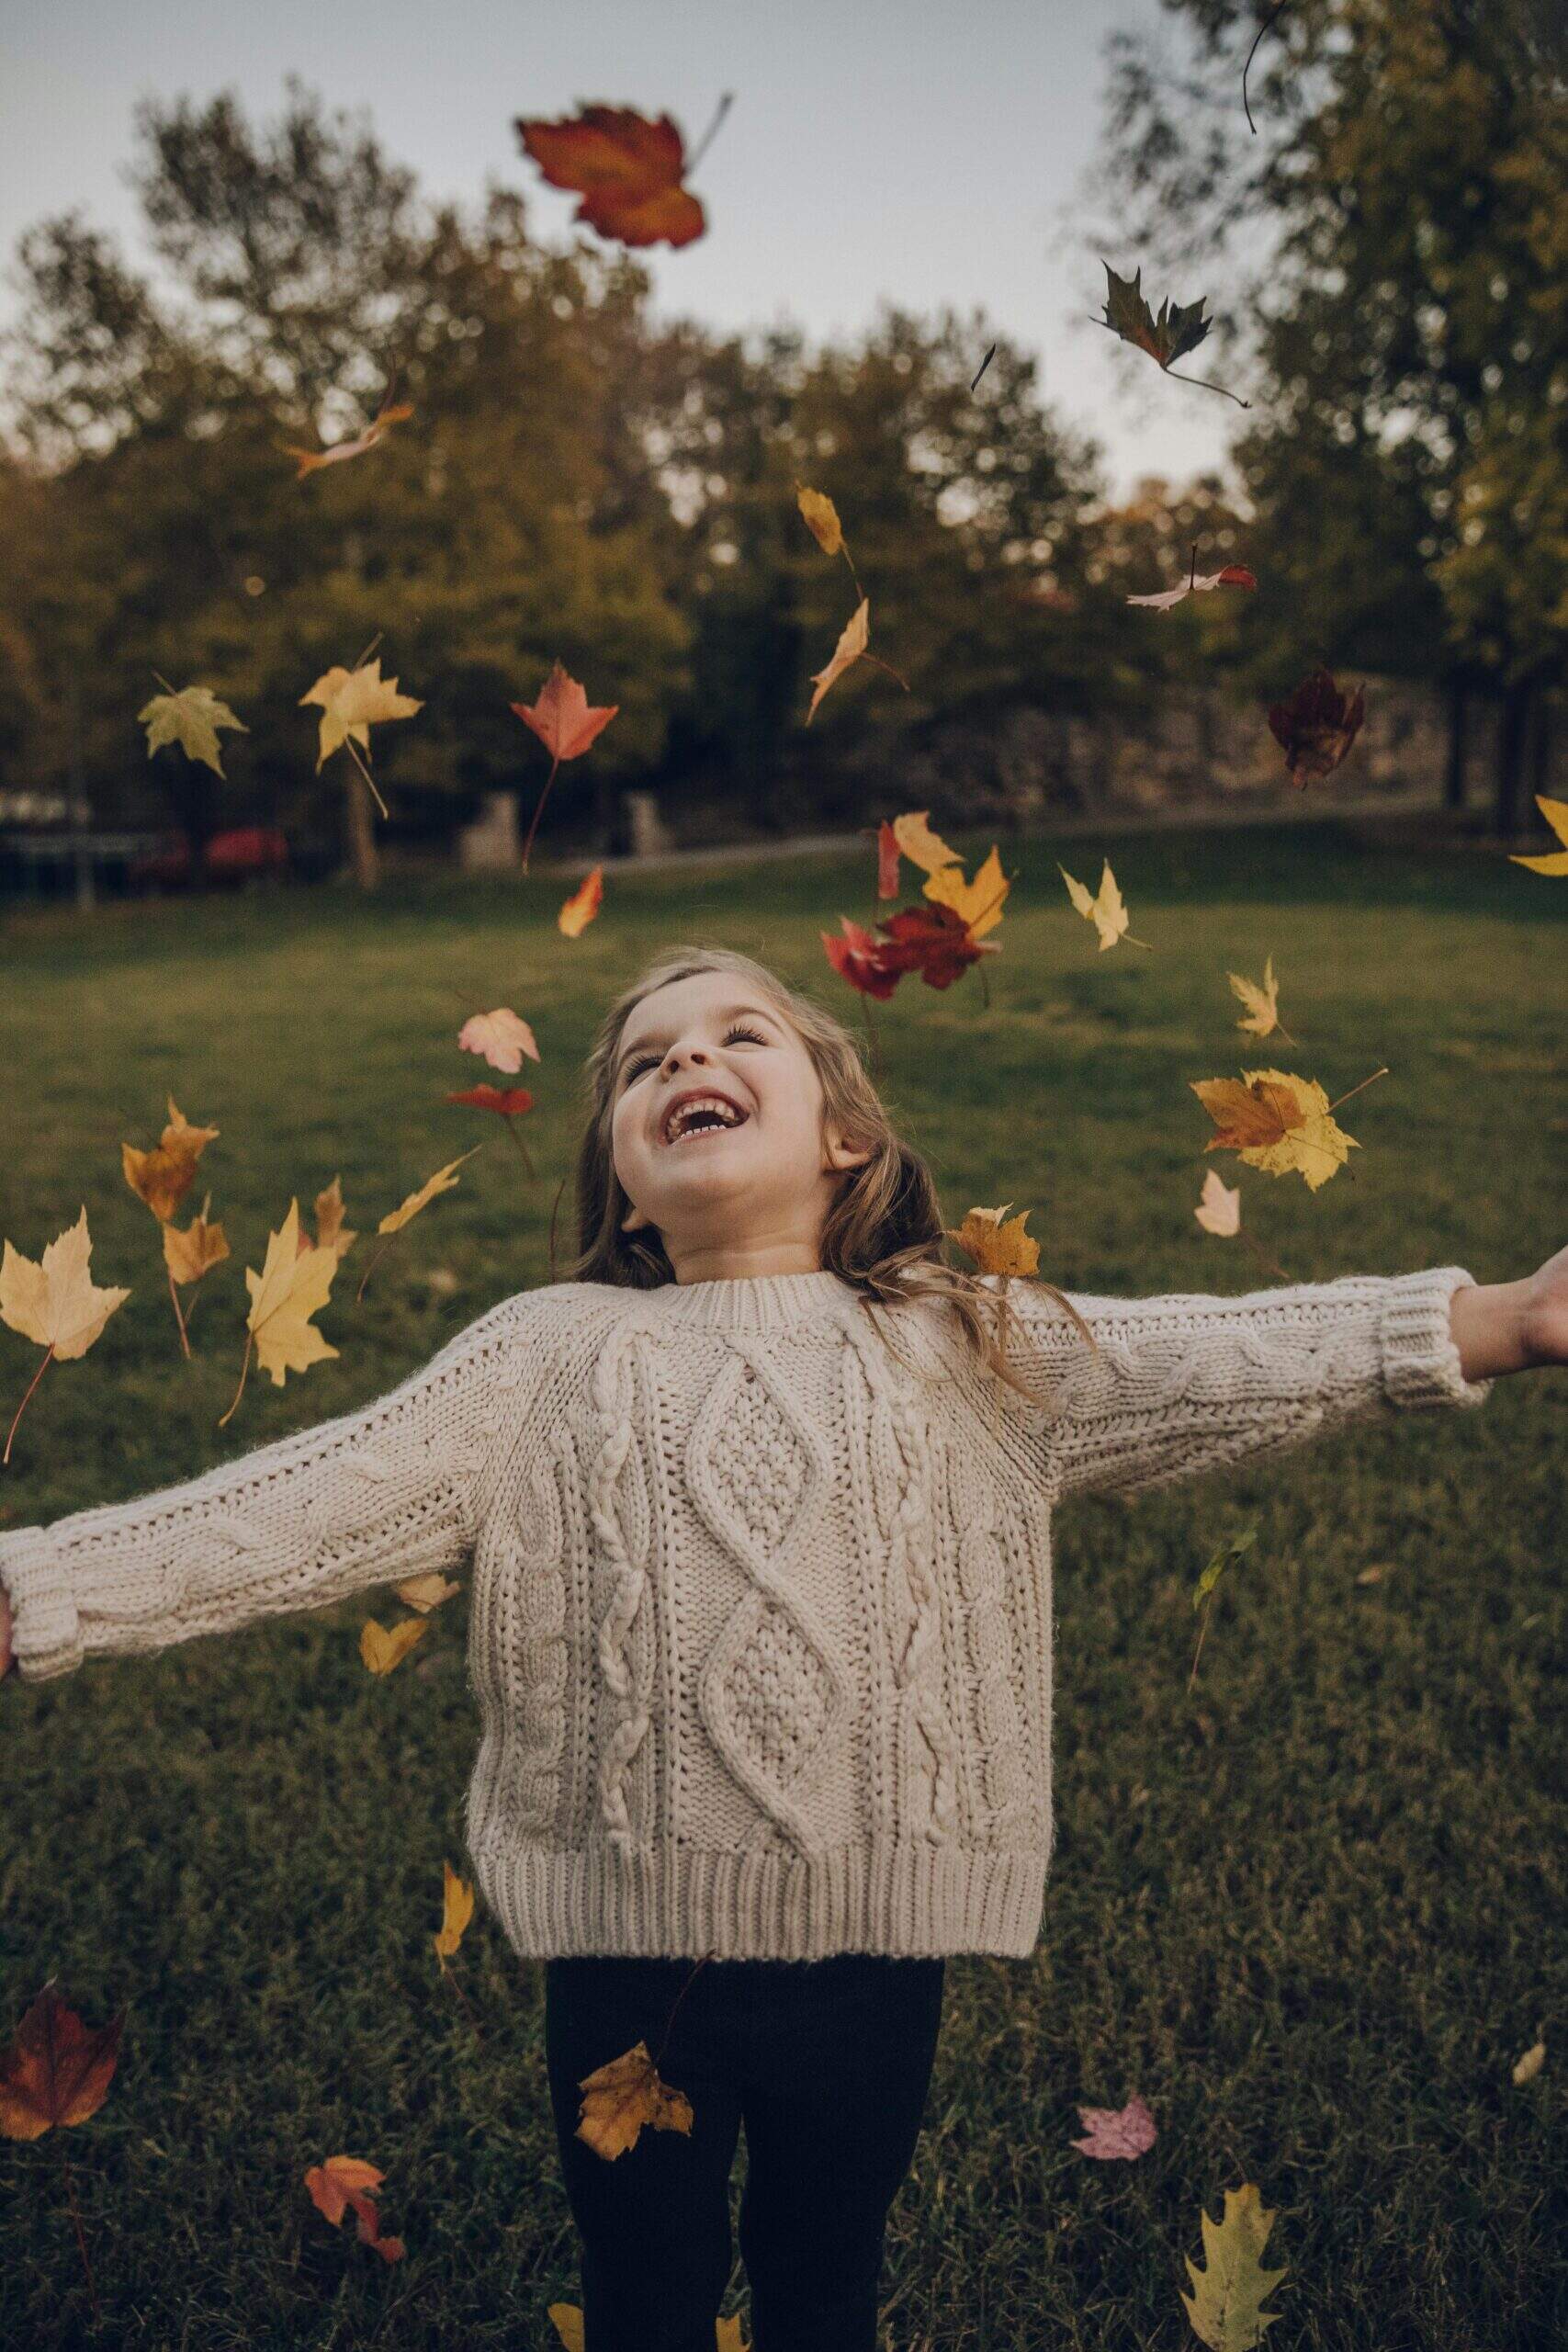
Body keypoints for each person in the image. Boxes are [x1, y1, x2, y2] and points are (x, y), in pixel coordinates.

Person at [3, 943, 1562, 2352]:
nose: (688, 1058)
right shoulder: (545, 1356)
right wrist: (45, 1585)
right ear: (624, 1183)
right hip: (627, 1965)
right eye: (646, 1060)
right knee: (646, 2291)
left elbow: (1217, 1361)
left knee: (825, 2277)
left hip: (875, 1956)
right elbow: (305, 1505)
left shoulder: (957, 1337)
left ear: (845, 1140)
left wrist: (1499, 1321)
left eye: (739, 1034)